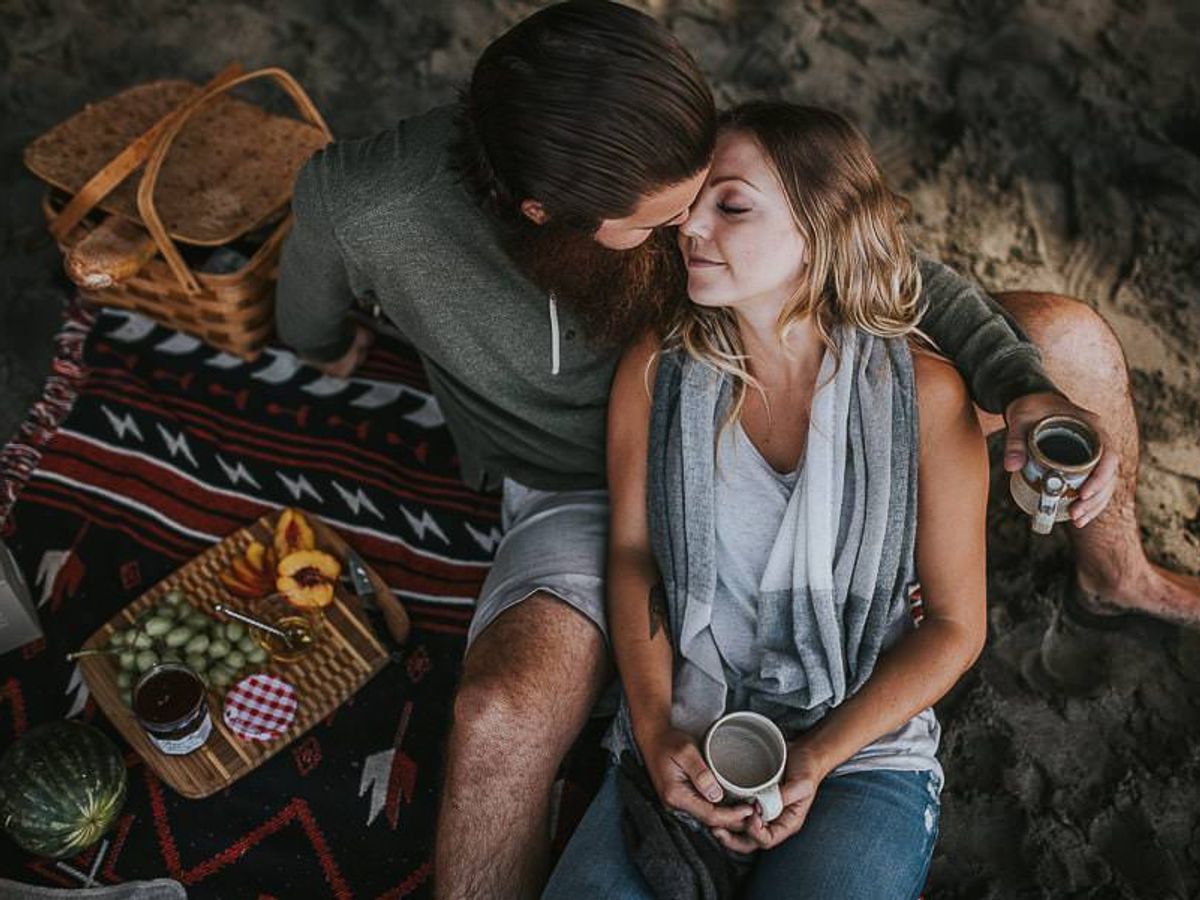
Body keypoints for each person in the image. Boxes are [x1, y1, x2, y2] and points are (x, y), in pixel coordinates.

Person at [272, 4, 1197, 896]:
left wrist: (1015, 382)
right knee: (497, 717)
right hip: (588, 478)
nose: (684, 236)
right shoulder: (371, 208)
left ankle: (1118, 574)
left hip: (790, 375)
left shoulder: (654, 141)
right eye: (659, 224)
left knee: (1065, 341)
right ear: (543, 211)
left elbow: (851, 241)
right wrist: (330, 344)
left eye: (710, 200)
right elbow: (308, 317)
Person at [544, 101, 986, 900]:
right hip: (693, 726)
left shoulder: (924, 399)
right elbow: (635, 553)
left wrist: (816, 758)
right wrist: (653, 732)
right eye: (691, 206)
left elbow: (956, 629)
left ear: (822, 229)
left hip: (859, 746)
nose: (689, 229)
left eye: (732, 205)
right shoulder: (660, 368)